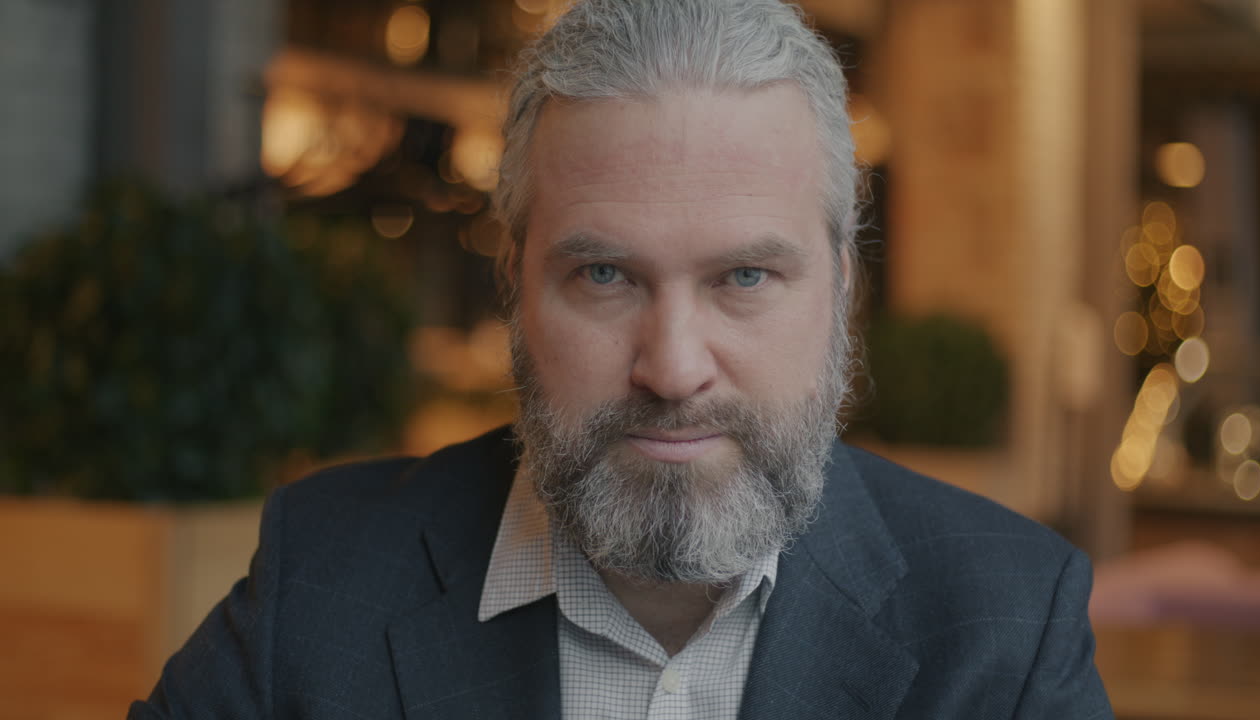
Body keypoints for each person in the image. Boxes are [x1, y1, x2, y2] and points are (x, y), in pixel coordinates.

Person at [130, 0, 1113, 718]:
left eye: (744, 277)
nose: (673, 368)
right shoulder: (322, 583)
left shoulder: (1003, 627)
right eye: (604, 275)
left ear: (842, 287)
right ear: (513, 282)